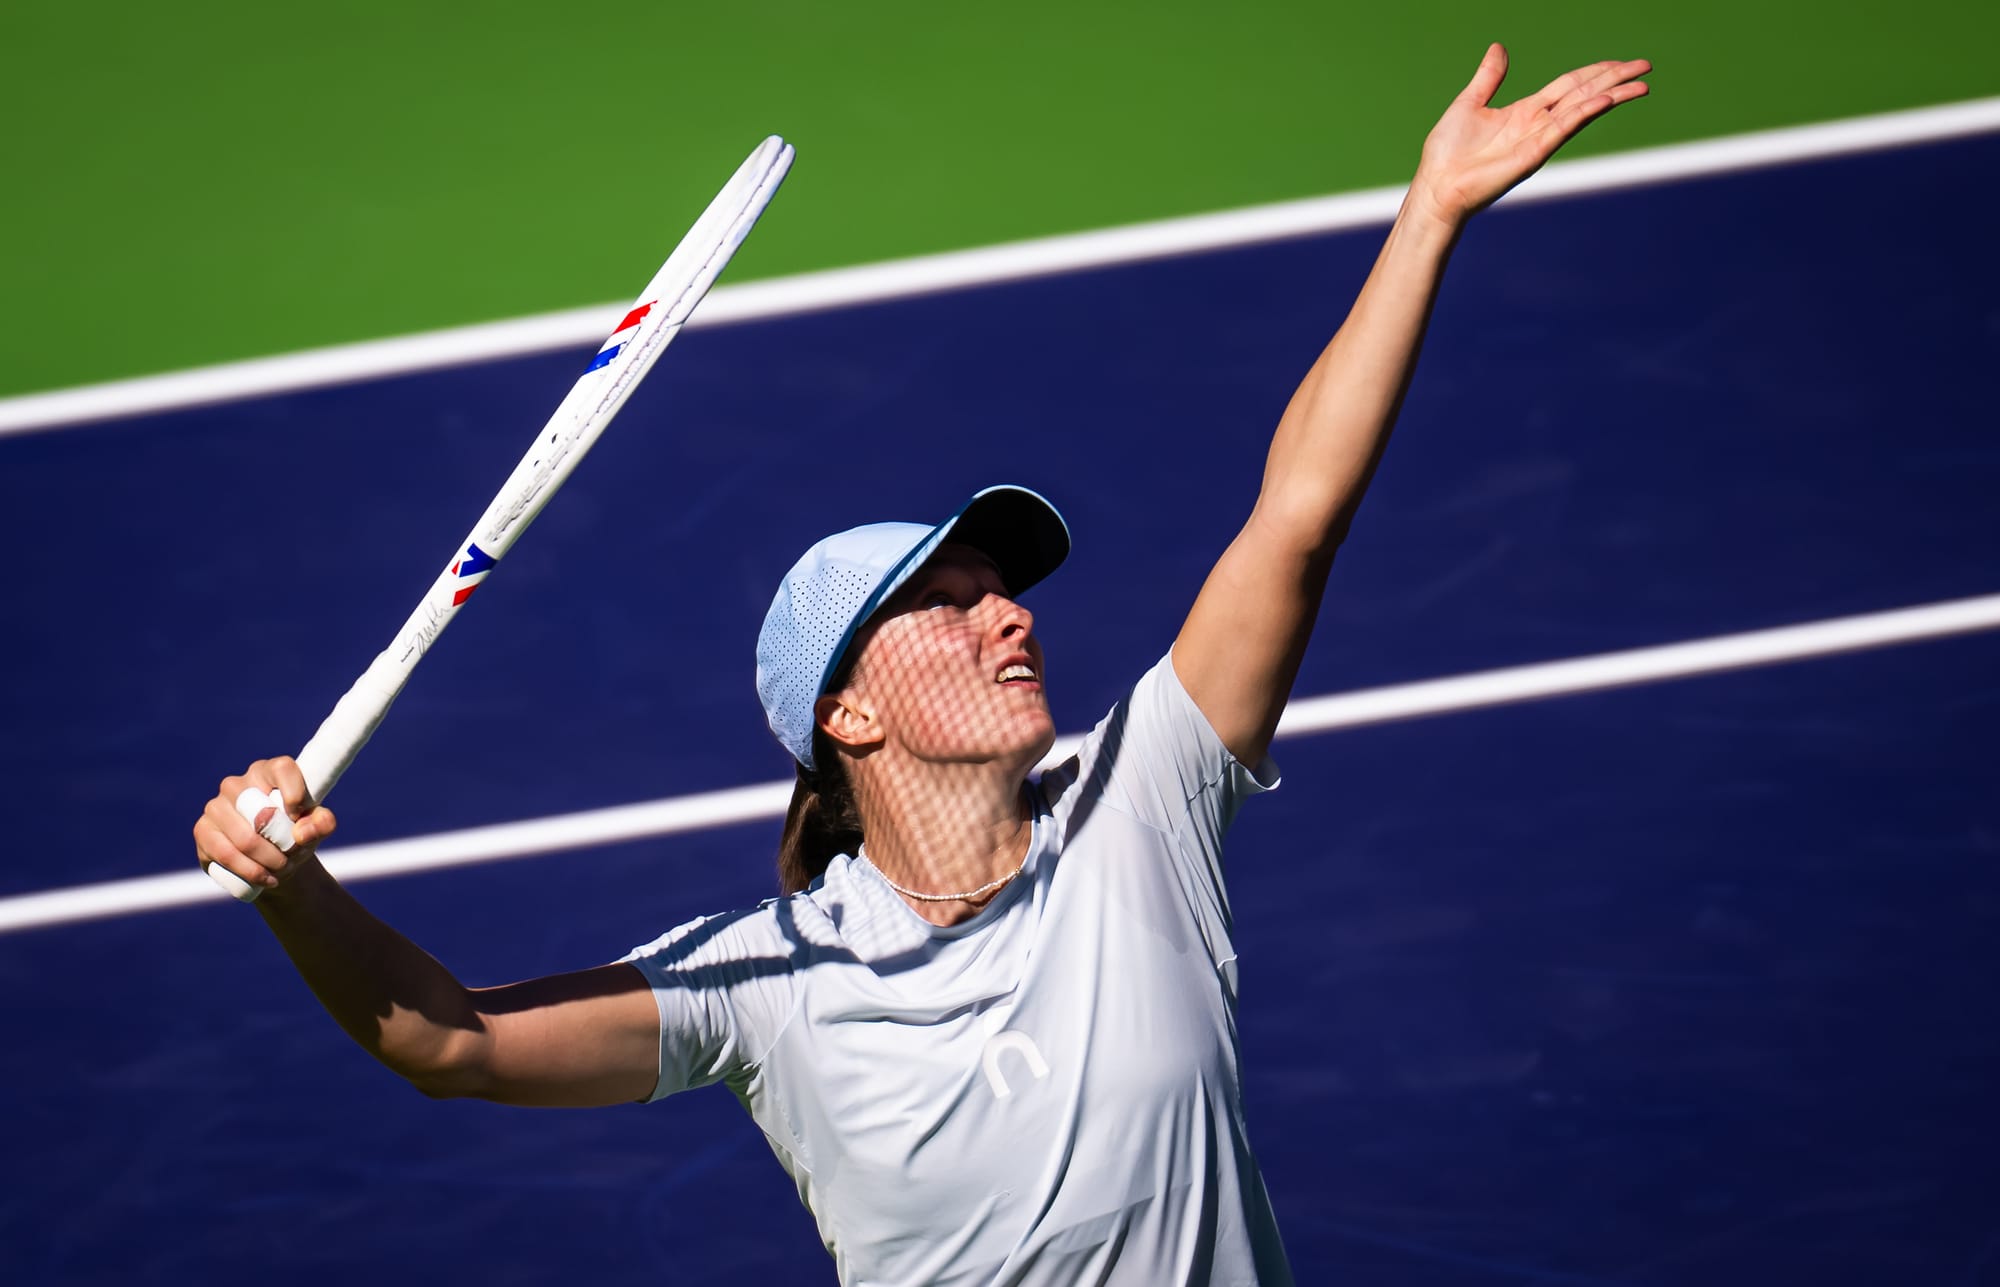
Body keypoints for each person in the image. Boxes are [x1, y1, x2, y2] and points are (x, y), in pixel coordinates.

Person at [195, 46, 1649, 1285]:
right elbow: (451, 1043)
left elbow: (1297, 518)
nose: (1009, 619)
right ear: (846, 711)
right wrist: (292, 891)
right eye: (947, 607)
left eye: (1003, 594)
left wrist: (1427, 217)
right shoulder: (771, 979)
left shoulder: (1140, 805)